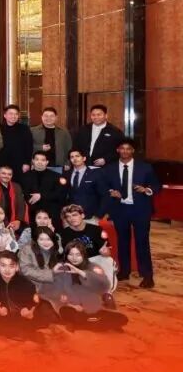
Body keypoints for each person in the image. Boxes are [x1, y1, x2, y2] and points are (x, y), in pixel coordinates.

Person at [101, 138, 160, 288]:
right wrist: (111, 191)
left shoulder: (145, 167)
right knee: (123, 241)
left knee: (142, 242)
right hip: (120, 209)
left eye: (128, 149)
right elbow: (103, 185)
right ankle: (124, 271)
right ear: (118, 150)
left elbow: (156, 185)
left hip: (140, 209)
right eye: (122, 148)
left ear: (133, 151)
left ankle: (147, 275)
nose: (125, 151)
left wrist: (146, 190)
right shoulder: (110, 168)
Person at [40, 242, 128, 332]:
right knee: (64, 310)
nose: (74, 258)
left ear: (83, 255)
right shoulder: (61, 268)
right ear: (66, 255)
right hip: (70, 307)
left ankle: (88, 323)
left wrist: (82, 273)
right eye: (71, 254)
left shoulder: (92, 266)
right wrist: (53, 274)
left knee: (109, 300)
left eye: (78, 255)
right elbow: (45, 290)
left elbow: (104, 285)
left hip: (92, 306)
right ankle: (92, 323)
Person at [0, 250, 49, 340]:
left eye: (11, 266)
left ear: (16, 267)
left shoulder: (25, 283)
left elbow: (33, 304)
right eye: (3, 265)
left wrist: (27, 311)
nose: (7, 270)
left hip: (19, 319)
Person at [22, 151, 67, 228]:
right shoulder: (25, 176)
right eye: (37, 159)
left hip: (52, 214)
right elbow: (24, 194)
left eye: (43, 160)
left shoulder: (56, 176)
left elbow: (60, 194)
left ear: (47, 162)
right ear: (33, 161)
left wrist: (41, 196)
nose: (39, 162)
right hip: (32, 214)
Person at [71, 104, 123, 168]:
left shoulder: (115, 131)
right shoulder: (83, 130)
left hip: (106, 167)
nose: (96, 117)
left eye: (99, 115)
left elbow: (121, 150)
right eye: (93, 115)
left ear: (106, 116)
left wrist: (105, 159)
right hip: (84, 167)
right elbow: (75, 147)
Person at [63, 148, 102, 219]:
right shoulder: (67, 174)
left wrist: (99, 214)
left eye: (77, 156)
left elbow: (103, 195)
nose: (75, 159)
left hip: (91, 215)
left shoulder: (95, 174)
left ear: (84, 158)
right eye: (72, 157)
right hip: (72, 216)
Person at [0, 104, 33, 176]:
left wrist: (27, 163)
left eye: (16, 114)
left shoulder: (24, 129)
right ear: (5, 115)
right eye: (11, 114)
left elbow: (29, 146)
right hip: (2, 163)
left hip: (20, 164)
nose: (13, 116)